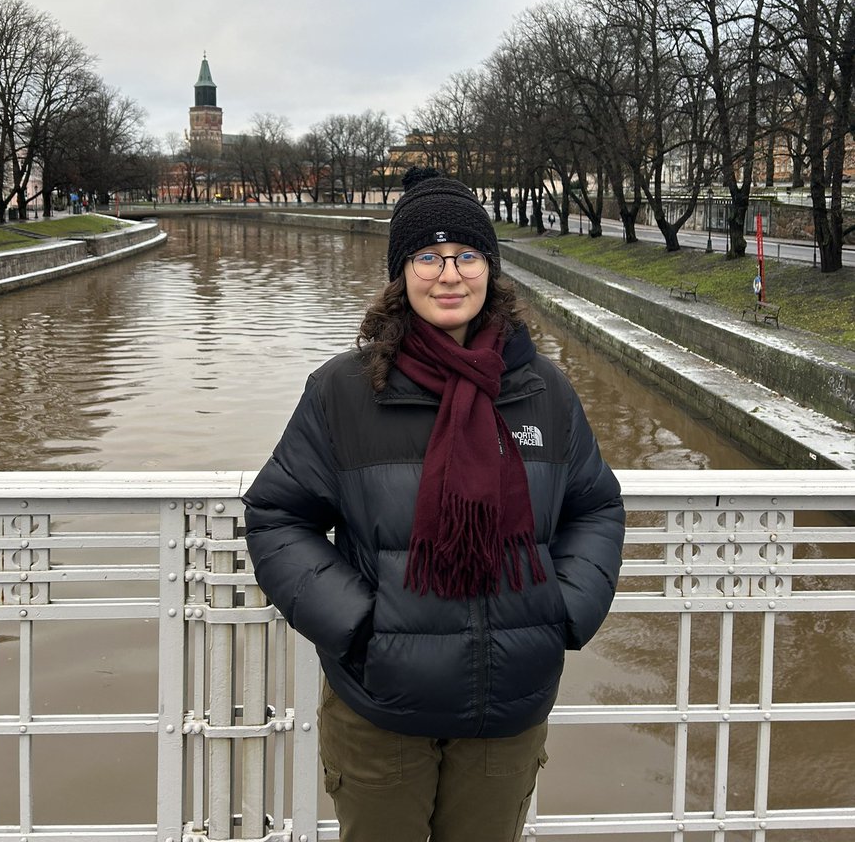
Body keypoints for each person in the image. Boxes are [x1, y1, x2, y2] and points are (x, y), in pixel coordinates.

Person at [243, 167, 625, 842]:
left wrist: (563, 611)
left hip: (509, 703)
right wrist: (362, 628)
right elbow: (279, 516)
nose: (448, 275)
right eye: (427, 256)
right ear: (402, 273)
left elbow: (594, 506)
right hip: (380, 706)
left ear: (490, 268)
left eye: (465, 255)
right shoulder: (344, 391)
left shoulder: (544, 390)